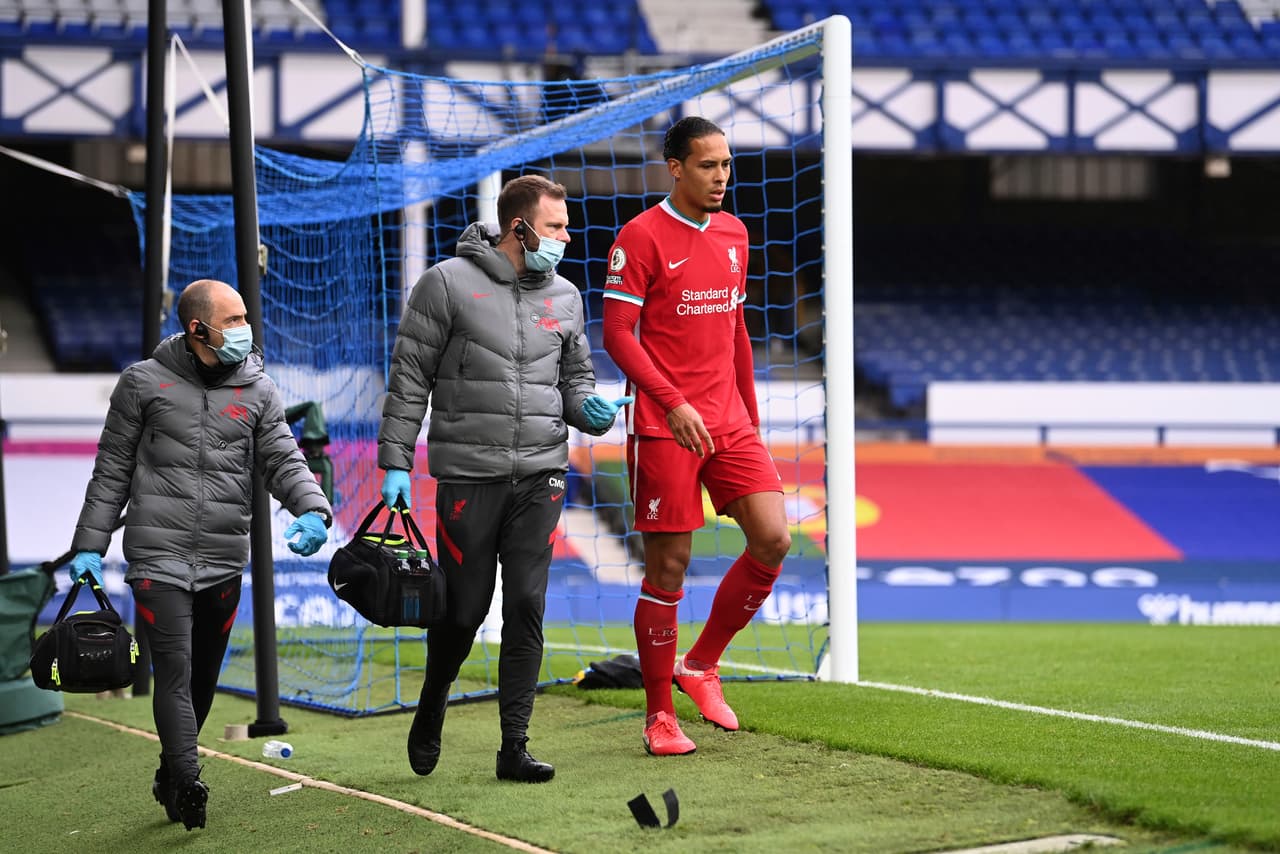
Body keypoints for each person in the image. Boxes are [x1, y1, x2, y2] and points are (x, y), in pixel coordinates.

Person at [378, 174, 627, 783]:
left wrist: (588, 409)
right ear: (519, 227)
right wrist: (395, 463)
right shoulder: (445, 284)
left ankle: (513, 745)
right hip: (469, 475)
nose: (567, 238)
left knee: (526, 606)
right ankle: (434, 699)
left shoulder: (567, 297)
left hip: (542, 473)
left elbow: (574, 382)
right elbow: (410, 377)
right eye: (555, 227)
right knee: (463, 613)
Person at [68, 279, 333, 830]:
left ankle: (170, 771)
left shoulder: (259, 390)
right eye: (233, 320)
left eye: (243, 318)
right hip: (155, 559)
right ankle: (189, 783)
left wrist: (311, 508)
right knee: (175, 671)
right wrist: (89, 546)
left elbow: (283, 460)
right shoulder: (142, 383)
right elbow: (112, 470)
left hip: (222, 560)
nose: (245, 329)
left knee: (203, 681)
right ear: (197, 329)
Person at [601, 117, 791, 756]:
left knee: (773, 537)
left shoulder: (736, 233)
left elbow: (736, 330)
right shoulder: (640, 237)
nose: (721, 178)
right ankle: (659, 717)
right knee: (669, 568)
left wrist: (752, 421)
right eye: (708, 166)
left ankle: (700, 664)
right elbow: (618, 335)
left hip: (729, 418)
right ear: (676, 167)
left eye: (727, 165)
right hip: (665, 423)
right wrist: (673, 401)